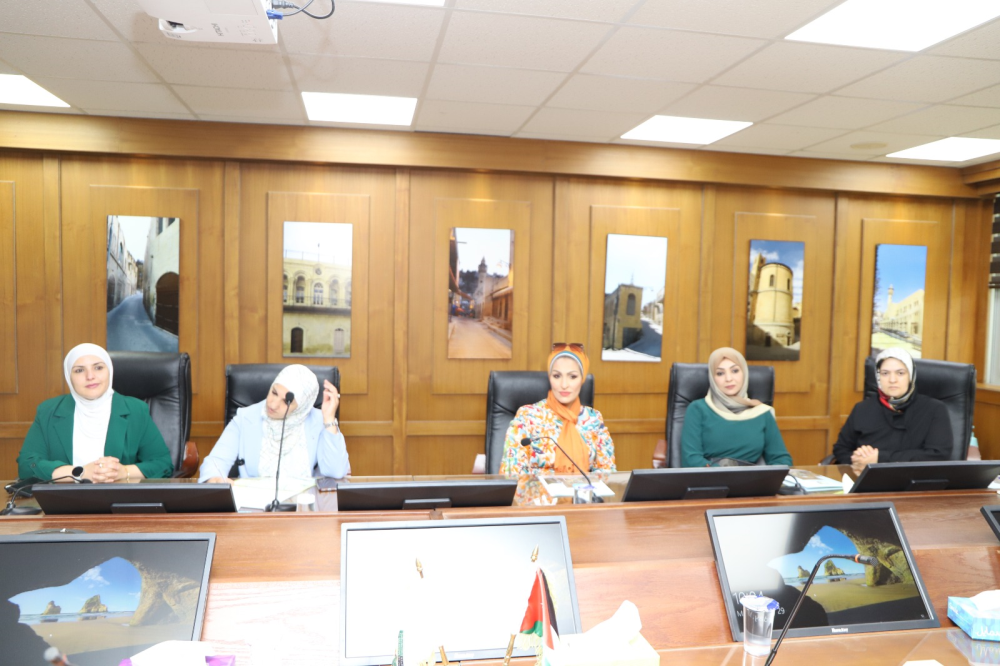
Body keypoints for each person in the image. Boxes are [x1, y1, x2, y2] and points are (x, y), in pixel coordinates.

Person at [16, 343, 173, 482]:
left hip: (119, 500)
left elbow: (163, 464)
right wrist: (80, 473)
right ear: (69, 377)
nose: (90, 376)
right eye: (79, 370)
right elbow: (26, 465)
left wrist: (123, 472)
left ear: (109, 371)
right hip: (64, 500)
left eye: (98, 367)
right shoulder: (49, 411)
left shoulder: (135, 410)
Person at [199, 364, 350, 482]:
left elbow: (336, 471)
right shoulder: (245, 417)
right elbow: (216, 461)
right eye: (274, 392)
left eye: (286, 401)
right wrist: (215, 479)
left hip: (303, 506)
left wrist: (329, 420)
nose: (273, 404)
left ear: (302, 406)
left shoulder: (319, 421)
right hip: (253, 506)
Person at [500, 343, 615, 477]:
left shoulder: (594, 419)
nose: (564, 385)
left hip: (584, 490)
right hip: (537, 490)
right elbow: (512, 473)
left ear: (582, 379)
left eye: (572, 376)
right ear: (550, 378)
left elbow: (608, 473)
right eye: (556, 376)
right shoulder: (527, 416)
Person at [833, 348, 951, 471]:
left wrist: (879, 458)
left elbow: (939, 455)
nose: (892, 380)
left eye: (900, 373)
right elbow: (841, 448)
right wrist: (858, 459)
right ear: (878, 377)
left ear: (910, 376)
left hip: (914, 479)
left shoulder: (934, 409)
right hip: (867, 478)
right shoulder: (862, 408)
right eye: (885, 373)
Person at [680, 347, 792, 467]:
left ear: (744, 372)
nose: (729, 379)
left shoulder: (762, 412)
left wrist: (771, 474)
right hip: (710, 476)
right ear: (712, 378)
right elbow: (690, 459)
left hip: (752, 477)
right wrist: (725, 472)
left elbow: (781, 458)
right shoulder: (698, 409)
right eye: (720, 373)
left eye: (735, 371)